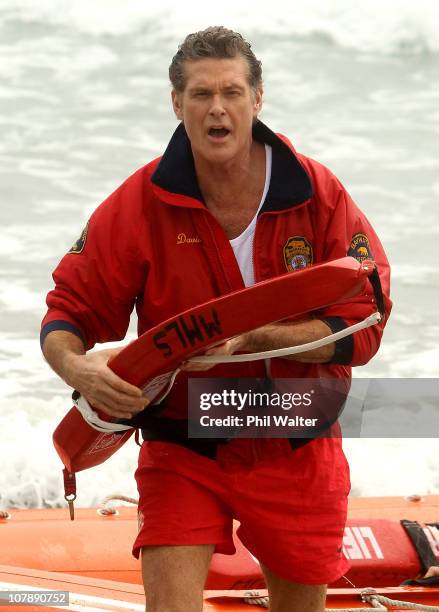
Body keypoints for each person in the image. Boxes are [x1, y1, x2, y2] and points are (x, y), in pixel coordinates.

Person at [41, 26, 392, 612]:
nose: (217, 108)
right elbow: (68, 310)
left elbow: (367, 319)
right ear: (176, 103)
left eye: (232, 91)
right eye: (201, 94)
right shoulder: (139, 203)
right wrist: (77, 368)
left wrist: (258, 339)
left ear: (258, 99)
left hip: (295, 438)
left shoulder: (318, 193)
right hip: (184, 443)